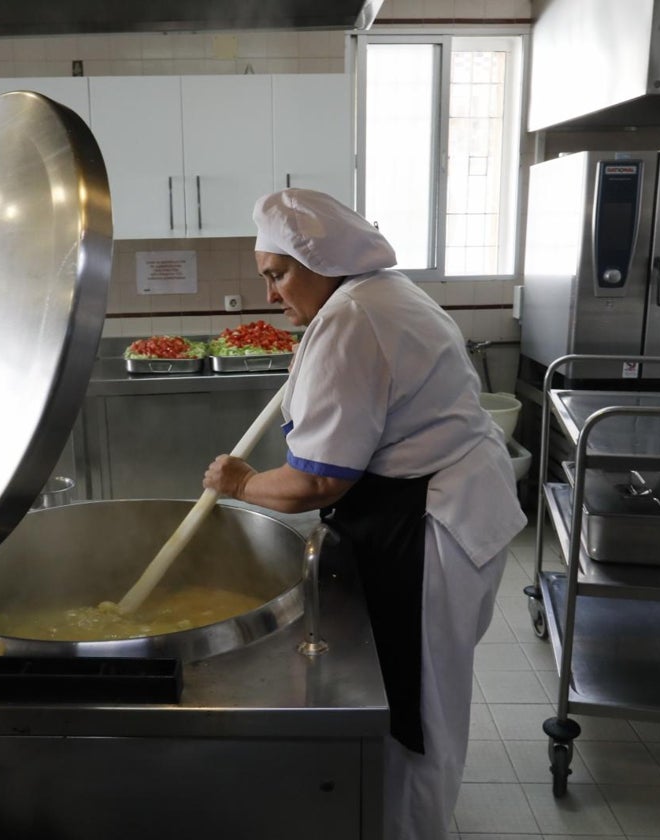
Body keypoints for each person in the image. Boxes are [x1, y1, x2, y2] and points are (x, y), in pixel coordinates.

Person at [202, 188, 527, 840]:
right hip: (458, 507)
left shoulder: (352, 320)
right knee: (426, 693)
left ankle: (413, 828)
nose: (270, 293)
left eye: (277, 274)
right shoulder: (382, 295)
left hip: (432, 526)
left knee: (419, 709)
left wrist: (239, 482)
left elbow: (317, 481)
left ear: (318, 261)